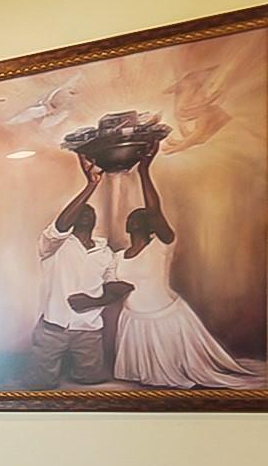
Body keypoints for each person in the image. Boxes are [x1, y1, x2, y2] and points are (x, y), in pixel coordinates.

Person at [75, 142, 254, 389]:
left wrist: (144, 170)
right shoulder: (117, 257)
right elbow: (113, 287)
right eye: (134, 216)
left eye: (145, 216)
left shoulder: (161, 246)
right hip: (134, 321)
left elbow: (155, 210)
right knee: (142, 383)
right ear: (128, 225)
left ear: (152, 225)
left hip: (166, 319)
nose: (140, 216)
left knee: (179, 376)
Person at [30, 153, 118, 388]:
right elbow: (60, 226)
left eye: (90, 211)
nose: (86, 213)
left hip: (89, 331)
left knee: (90, 384)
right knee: (40, 387)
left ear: (96, 219)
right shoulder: (53, 245)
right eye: (80, 211)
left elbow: (112, 288)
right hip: (53, 328)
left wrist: (91, 301)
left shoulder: (105, 251)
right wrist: (91, 185)